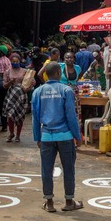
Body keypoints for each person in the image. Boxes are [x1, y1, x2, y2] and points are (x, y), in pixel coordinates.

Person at [32, 62, 83, 213]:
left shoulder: (38, 92)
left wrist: (37, 138)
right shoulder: (66, 90)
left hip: (46, 136)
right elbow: (71, 116)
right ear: (58, 72)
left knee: (46, 170)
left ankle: (49, 202)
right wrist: (77, 136)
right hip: (65, 136)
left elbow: (35, 117)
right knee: (68, 168)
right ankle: (69, 201)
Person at [3, 51, 34, 142]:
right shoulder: (7, 72)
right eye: (13, 61)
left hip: (21, 95)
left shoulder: (24, 71)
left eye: (17, 61)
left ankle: (18, 135)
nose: (15, 63)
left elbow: (32, 82)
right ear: (10, 61)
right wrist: (10, 82)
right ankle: (11, 133)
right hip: (11, 95)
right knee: (10, 115)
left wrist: (27, 89)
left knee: (20, 115)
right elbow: (4, 85)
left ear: (20, 61)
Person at [0, 45, 12, 131]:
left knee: (0, 104)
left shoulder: (0, 62)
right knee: (4, 104)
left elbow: (0, 75)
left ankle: (2, 122)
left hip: (2, 85)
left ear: (1, 52)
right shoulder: (7, 60)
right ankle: (4, 123)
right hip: (7, 84)